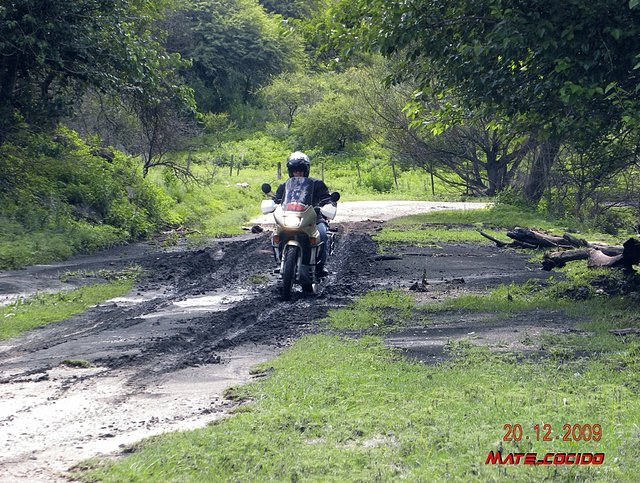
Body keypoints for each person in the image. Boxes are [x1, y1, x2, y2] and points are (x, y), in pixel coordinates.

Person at [273, 151, 334, 277]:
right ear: (291, 171)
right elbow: (277, 200)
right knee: (278, 233)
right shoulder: (285, 186)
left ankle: (320, 266)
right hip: (291, 217)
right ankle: (281, 262)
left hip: (313, 218)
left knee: (322, 233)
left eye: (301, 170)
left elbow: (326, 199)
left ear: (306, 170)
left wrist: (327, 205)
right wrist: (272, 205)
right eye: (295, 171)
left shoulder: (317, 184)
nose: (298, 173)